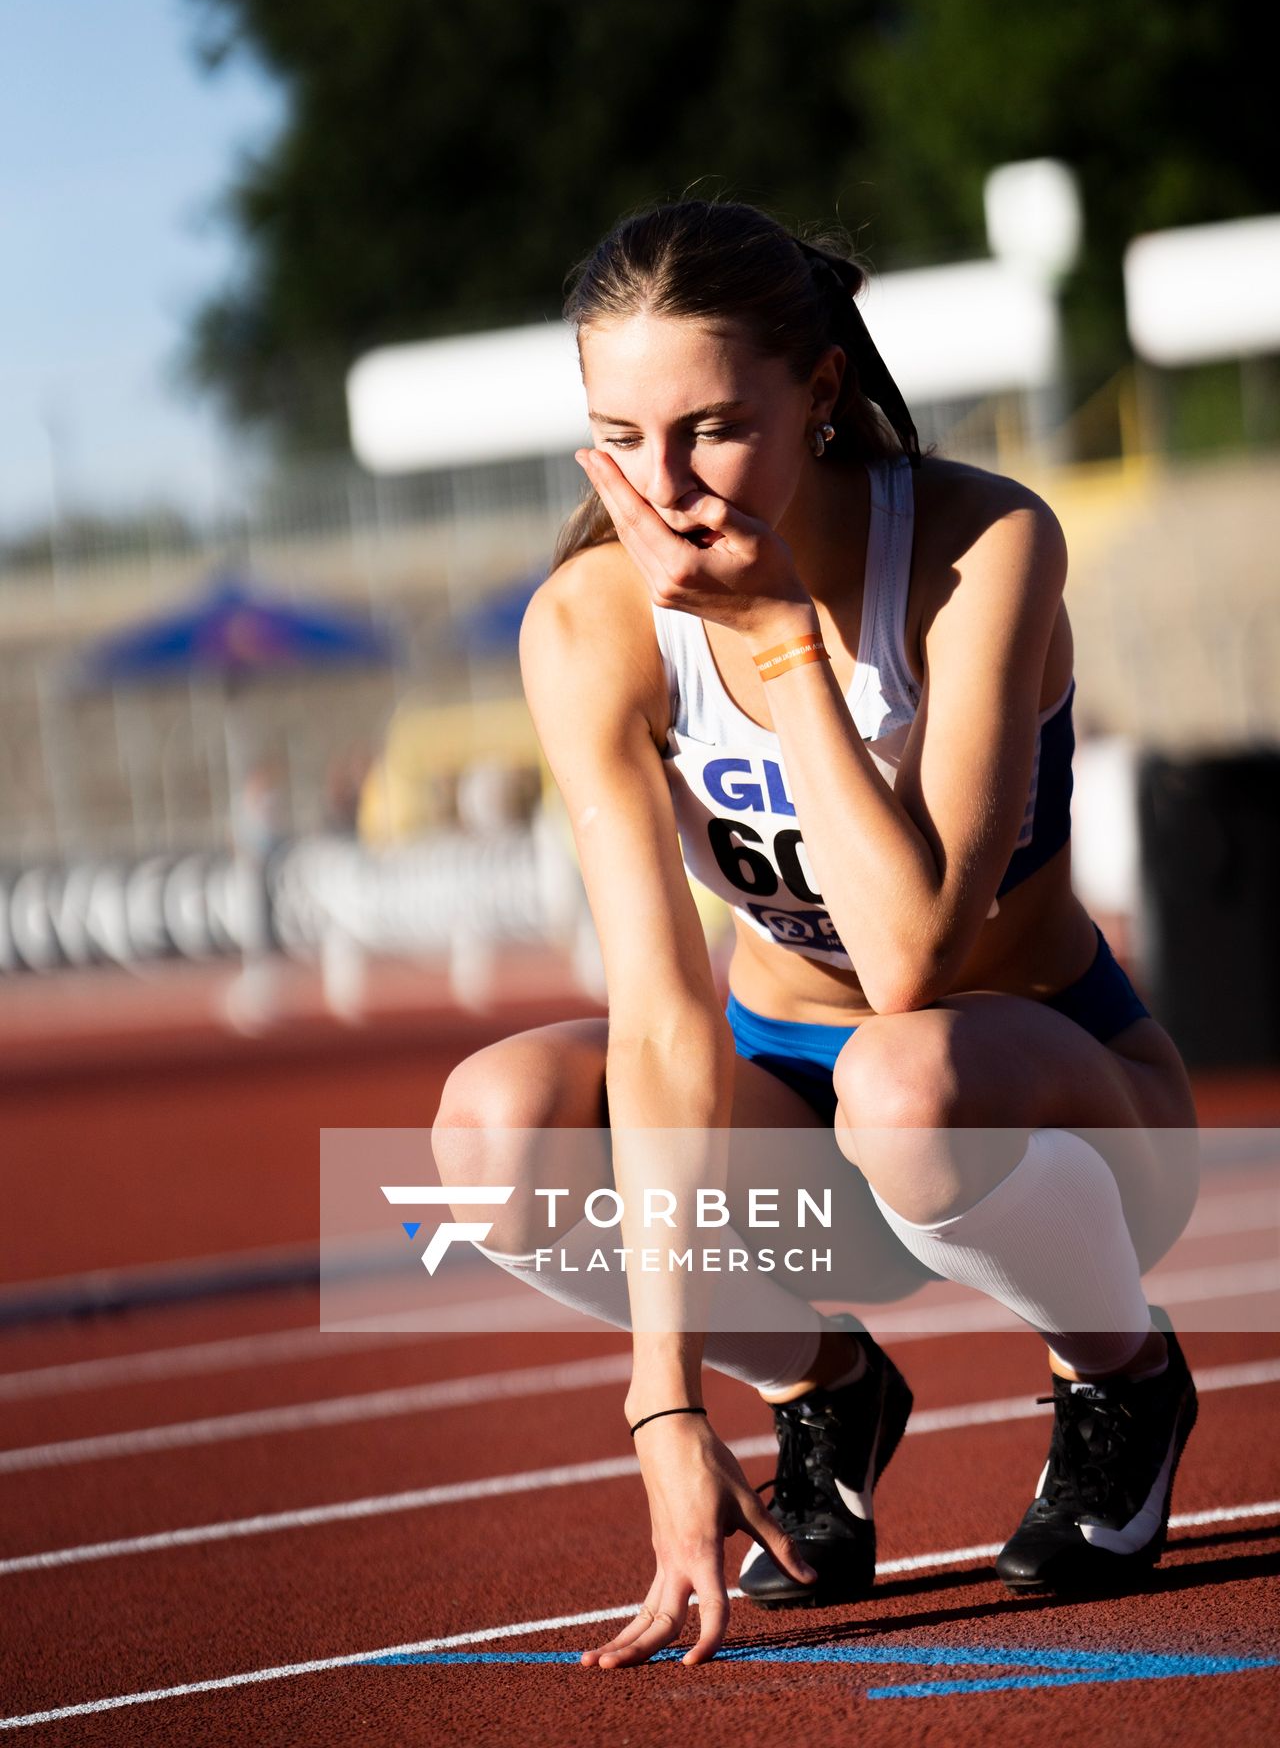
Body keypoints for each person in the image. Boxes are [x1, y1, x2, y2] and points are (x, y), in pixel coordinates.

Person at [433, 198, 1200, 1670]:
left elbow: (907, 956)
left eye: (713, 430)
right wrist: (666, 1400)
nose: (662, 490)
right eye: (619, 434)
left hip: (1062, 1120)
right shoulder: (588, 623)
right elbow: (662, 1024)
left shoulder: (981, 545)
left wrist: (785, 646)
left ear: (824, 393)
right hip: (791, 1102)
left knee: (902, 1073)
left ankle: (1123, 1374)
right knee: (492, 1135)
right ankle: (826, 1388)